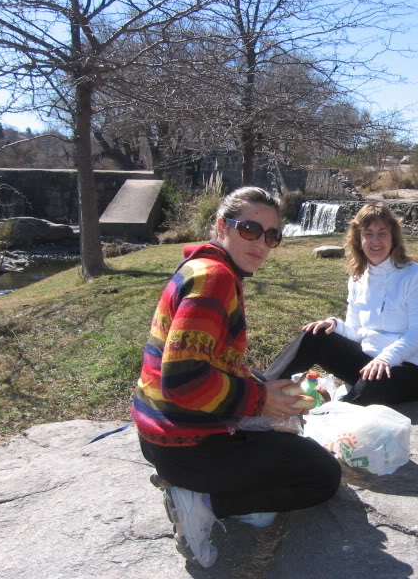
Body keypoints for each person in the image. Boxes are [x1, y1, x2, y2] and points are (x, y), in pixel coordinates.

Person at [131, 187, 341, 569]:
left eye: (271, 235)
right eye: (249, 229)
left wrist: (260, 390)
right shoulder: (215, 280)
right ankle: (204, 504)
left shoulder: (203, 266)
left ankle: (224, 486)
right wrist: (259, 400)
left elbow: (209, 361)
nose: (261, 243)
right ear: (220, 226)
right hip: (185, 447)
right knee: (324, 476)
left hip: (163, 435)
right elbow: (183, 381)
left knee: (279, 425)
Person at [265, 202, 418, 406]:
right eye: (368, 233)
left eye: (382, 233)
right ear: (358, 238)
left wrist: (386, 359)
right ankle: (261, 391)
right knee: (315, 335)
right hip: (368, 363)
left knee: (369, 386)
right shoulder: (357, 278)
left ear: (393, 237)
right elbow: (356, 331)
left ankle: (331, 414)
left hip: (411, 370)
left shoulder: (416, 275)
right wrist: (335, 325)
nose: (375, 241)